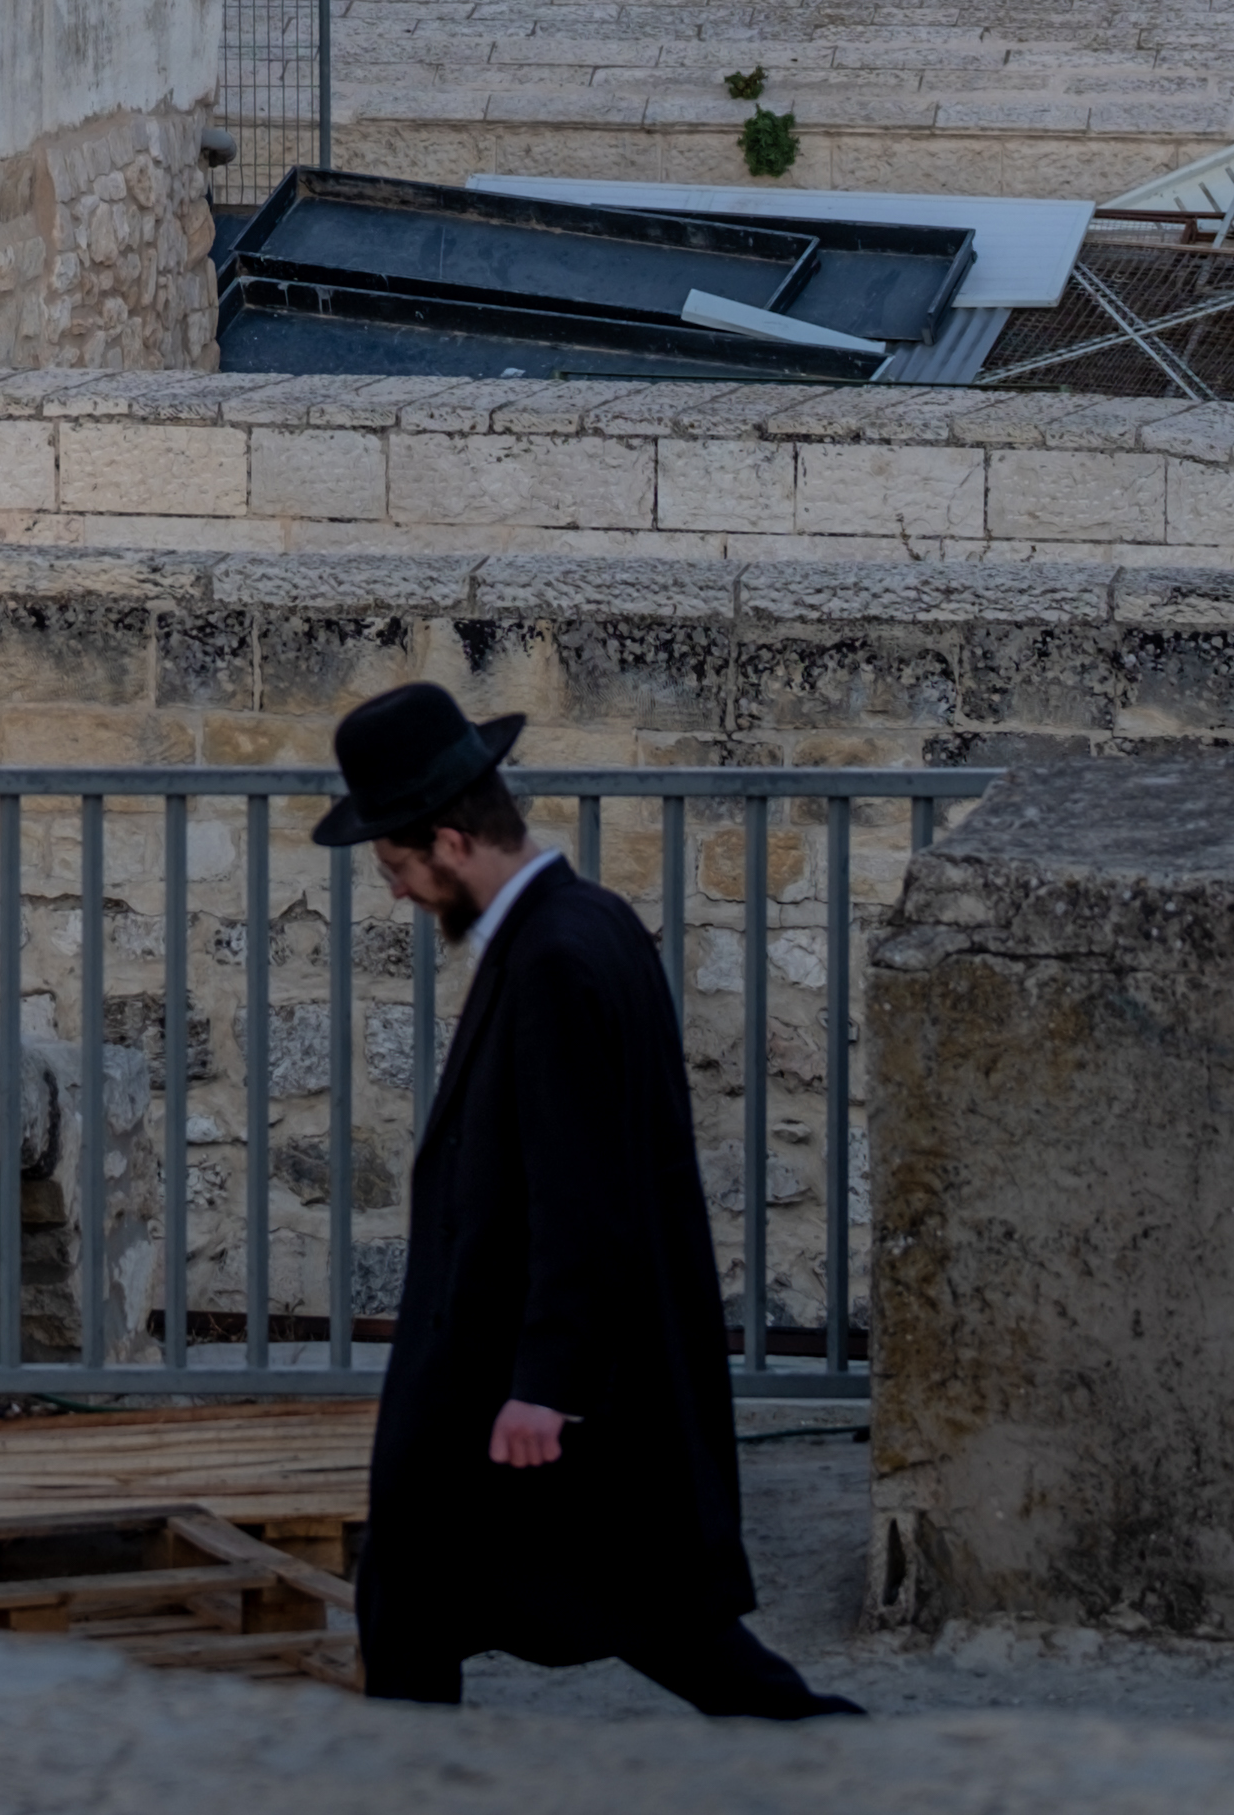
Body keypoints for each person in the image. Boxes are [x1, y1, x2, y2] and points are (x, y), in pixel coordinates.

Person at [310, 680, 852, 1718]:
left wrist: (544, 1384)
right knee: (429, 1599)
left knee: (665, 1634)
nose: (396, 893)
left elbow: (585, 1191)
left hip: (521, 1388)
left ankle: (860, 1764)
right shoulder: (586, 922)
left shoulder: (557, 958)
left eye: (396, 867)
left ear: (451, 841)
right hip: (534, 1381)